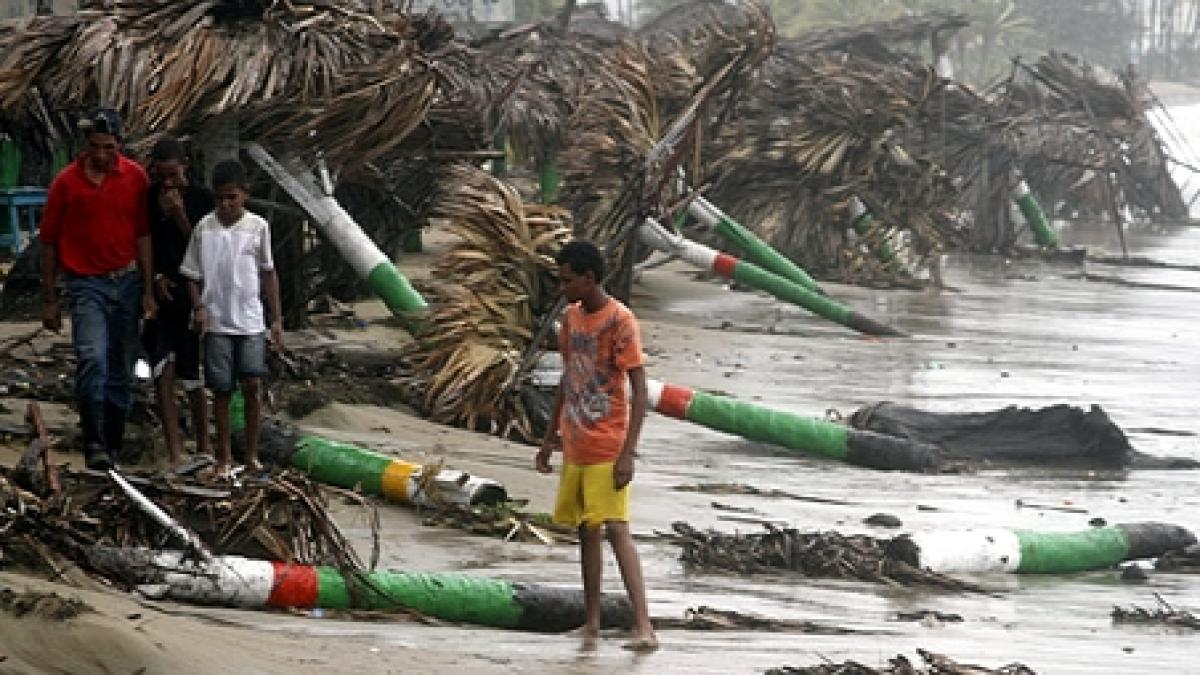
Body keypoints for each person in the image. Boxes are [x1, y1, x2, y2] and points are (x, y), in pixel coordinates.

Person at [535, 240, 658, 652]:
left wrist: (628, 453)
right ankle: (592, 623)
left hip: (608, 443)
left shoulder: (621, 321)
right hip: (576, 440)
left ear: (589, 278)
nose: (562, 288)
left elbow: (639, 391)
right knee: (587, 531)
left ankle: (644, 627)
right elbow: (568, 380)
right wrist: (549, 439)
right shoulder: (571, 320)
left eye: (568, 280)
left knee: (617, 530)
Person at [39, 107, 156, 471]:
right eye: (95, 148)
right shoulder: (66, 183)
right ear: (85, 146)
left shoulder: (135, 178)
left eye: (108, 147)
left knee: (121, 363)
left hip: (126, 280)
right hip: (85, 282)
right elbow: (48, 242)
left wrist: (148, 289)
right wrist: (50, 299)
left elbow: (143, 235)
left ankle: (114, 442)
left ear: (119, 145)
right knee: (92, 356)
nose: (102, 155)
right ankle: (94, 441)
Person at [179, 160, 282, 479]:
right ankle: (223, 456)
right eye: (221, 198)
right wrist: (198, 307)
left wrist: (276, 319)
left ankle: (251, 455)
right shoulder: (204, 228)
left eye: (232, 198)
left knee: (252, 383)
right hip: (217, 322)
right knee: (221, 390)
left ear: (245, 196)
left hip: (251, 320)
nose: (226, 205)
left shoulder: (257, 227)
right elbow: (191, 275)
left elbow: (268, 273)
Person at [144, 138, 213, 469]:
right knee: (163, 373)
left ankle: (203, 446)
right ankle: (174, 452)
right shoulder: (147, 198)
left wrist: (179, 215)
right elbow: (144, 243)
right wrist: (154, 279)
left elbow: (205, 249)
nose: (167, 183)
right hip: (160, 296)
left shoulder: (202, 199)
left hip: (192, 296)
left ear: (184, 165)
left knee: (193, 374)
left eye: (172, 175)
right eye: (161, 176)